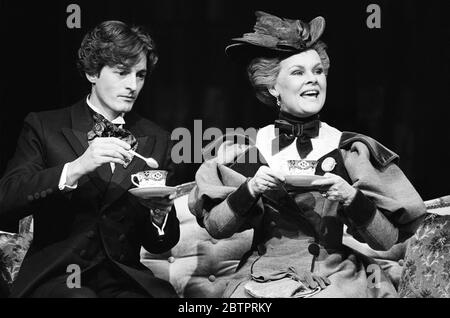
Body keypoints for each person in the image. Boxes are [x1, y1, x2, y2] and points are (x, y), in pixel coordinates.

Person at [188, 11, 427, 298]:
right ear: (272, 86)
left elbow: (385, 241)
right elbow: (217, 228)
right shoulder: (249, 148)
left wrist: (351, 197)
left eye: (317, 71)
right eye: (298, 72)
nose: (313, 80)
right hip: (264, 274)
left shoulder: (349, 148)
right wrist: (250, 188)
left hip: (333, 274)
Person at [0, 20, 179, 298]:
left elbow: (160, 243)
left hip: (122, 279)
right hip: (57, 277)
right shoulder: (45, 126)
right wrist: (75, 169)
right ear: (93, 72)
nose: (133, 85)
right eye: (122, 73)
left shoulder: (156, 138)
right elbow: (7, 199)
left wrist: (159, 214)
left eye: (140, 75)